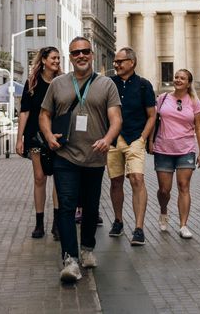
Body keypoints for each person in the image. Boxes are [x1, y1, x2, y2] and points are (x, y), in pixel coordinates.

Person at [39, 37, 122, 283]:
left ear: (92, 54)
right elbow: (44, 115)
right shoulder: (58, 84)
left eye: (85, 51)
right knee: (65, 206)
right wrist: (47, 135)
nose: (81, 56)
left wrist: (108, 139)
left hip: (95, 157)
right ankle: (70, 260)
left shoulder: (106, 84)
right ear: (70, 56)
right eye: (76, 53)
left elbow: (116, 118)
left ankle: (86, 248)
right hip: (65, 155)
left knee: (90, 207)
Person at [149, 69, 200, 239]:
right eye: (176, 77)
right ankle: (163, 211)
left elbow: (199, 128)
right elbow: (153, 120)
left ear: (189, 83)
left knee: (183, 186)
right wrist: (150, 141)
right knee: (164, 190)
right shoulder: (163, 98)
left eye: (182, 78)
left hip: (186, 149)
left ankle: (183, 225)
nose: (178, 80)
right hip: (163, 148)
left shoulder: (195, 102)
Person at [107, 47, 156, 246]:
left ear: (132, 62)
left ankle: (138, 228)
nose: (116, 65)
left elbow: (152, 115)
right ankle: (118, 221)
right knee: (116, 181)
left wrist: (143, 138)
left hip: (135, 138)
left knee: (137, 179)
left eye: (120, 61)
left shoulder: (144, 85)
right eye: (115, 62)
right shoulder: (109, 84)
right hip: (114, 139)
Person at [15, 46, 63, 239]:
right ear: (43, 60)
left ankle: (57, 224)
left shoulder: (62, 81)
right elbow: (25, 111)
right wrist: (19, 139)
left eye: (59, 58)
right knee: (39, 178)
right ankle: (39, 223)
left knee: (59, 180)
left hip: (57, 135)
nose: (57, 61)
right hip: (35, 135)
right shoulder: (32, 82)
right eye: (53, 58)